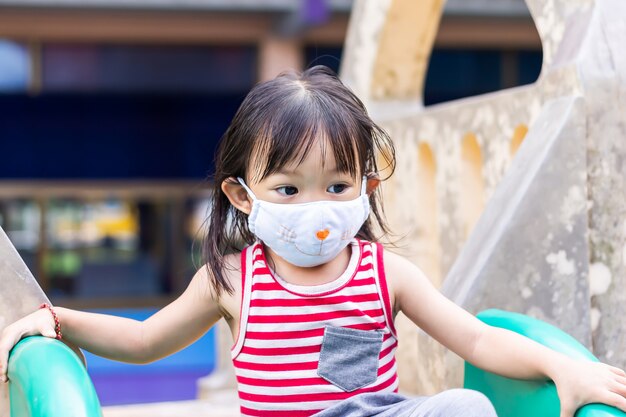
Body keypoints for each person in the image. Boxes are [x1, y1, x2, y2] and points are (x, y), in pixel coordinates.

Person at [1, 65, 625, 417]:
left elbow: (480, 338)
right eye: (289, 190)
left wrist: (562, 368)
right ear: (243, 196)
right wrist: (58, 321)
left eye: (337, 185)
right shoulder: (233, 277)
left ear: (366, 187)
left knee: (465, 408)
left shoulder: (386, 273)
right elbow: (143, 339)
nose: (317, 210)